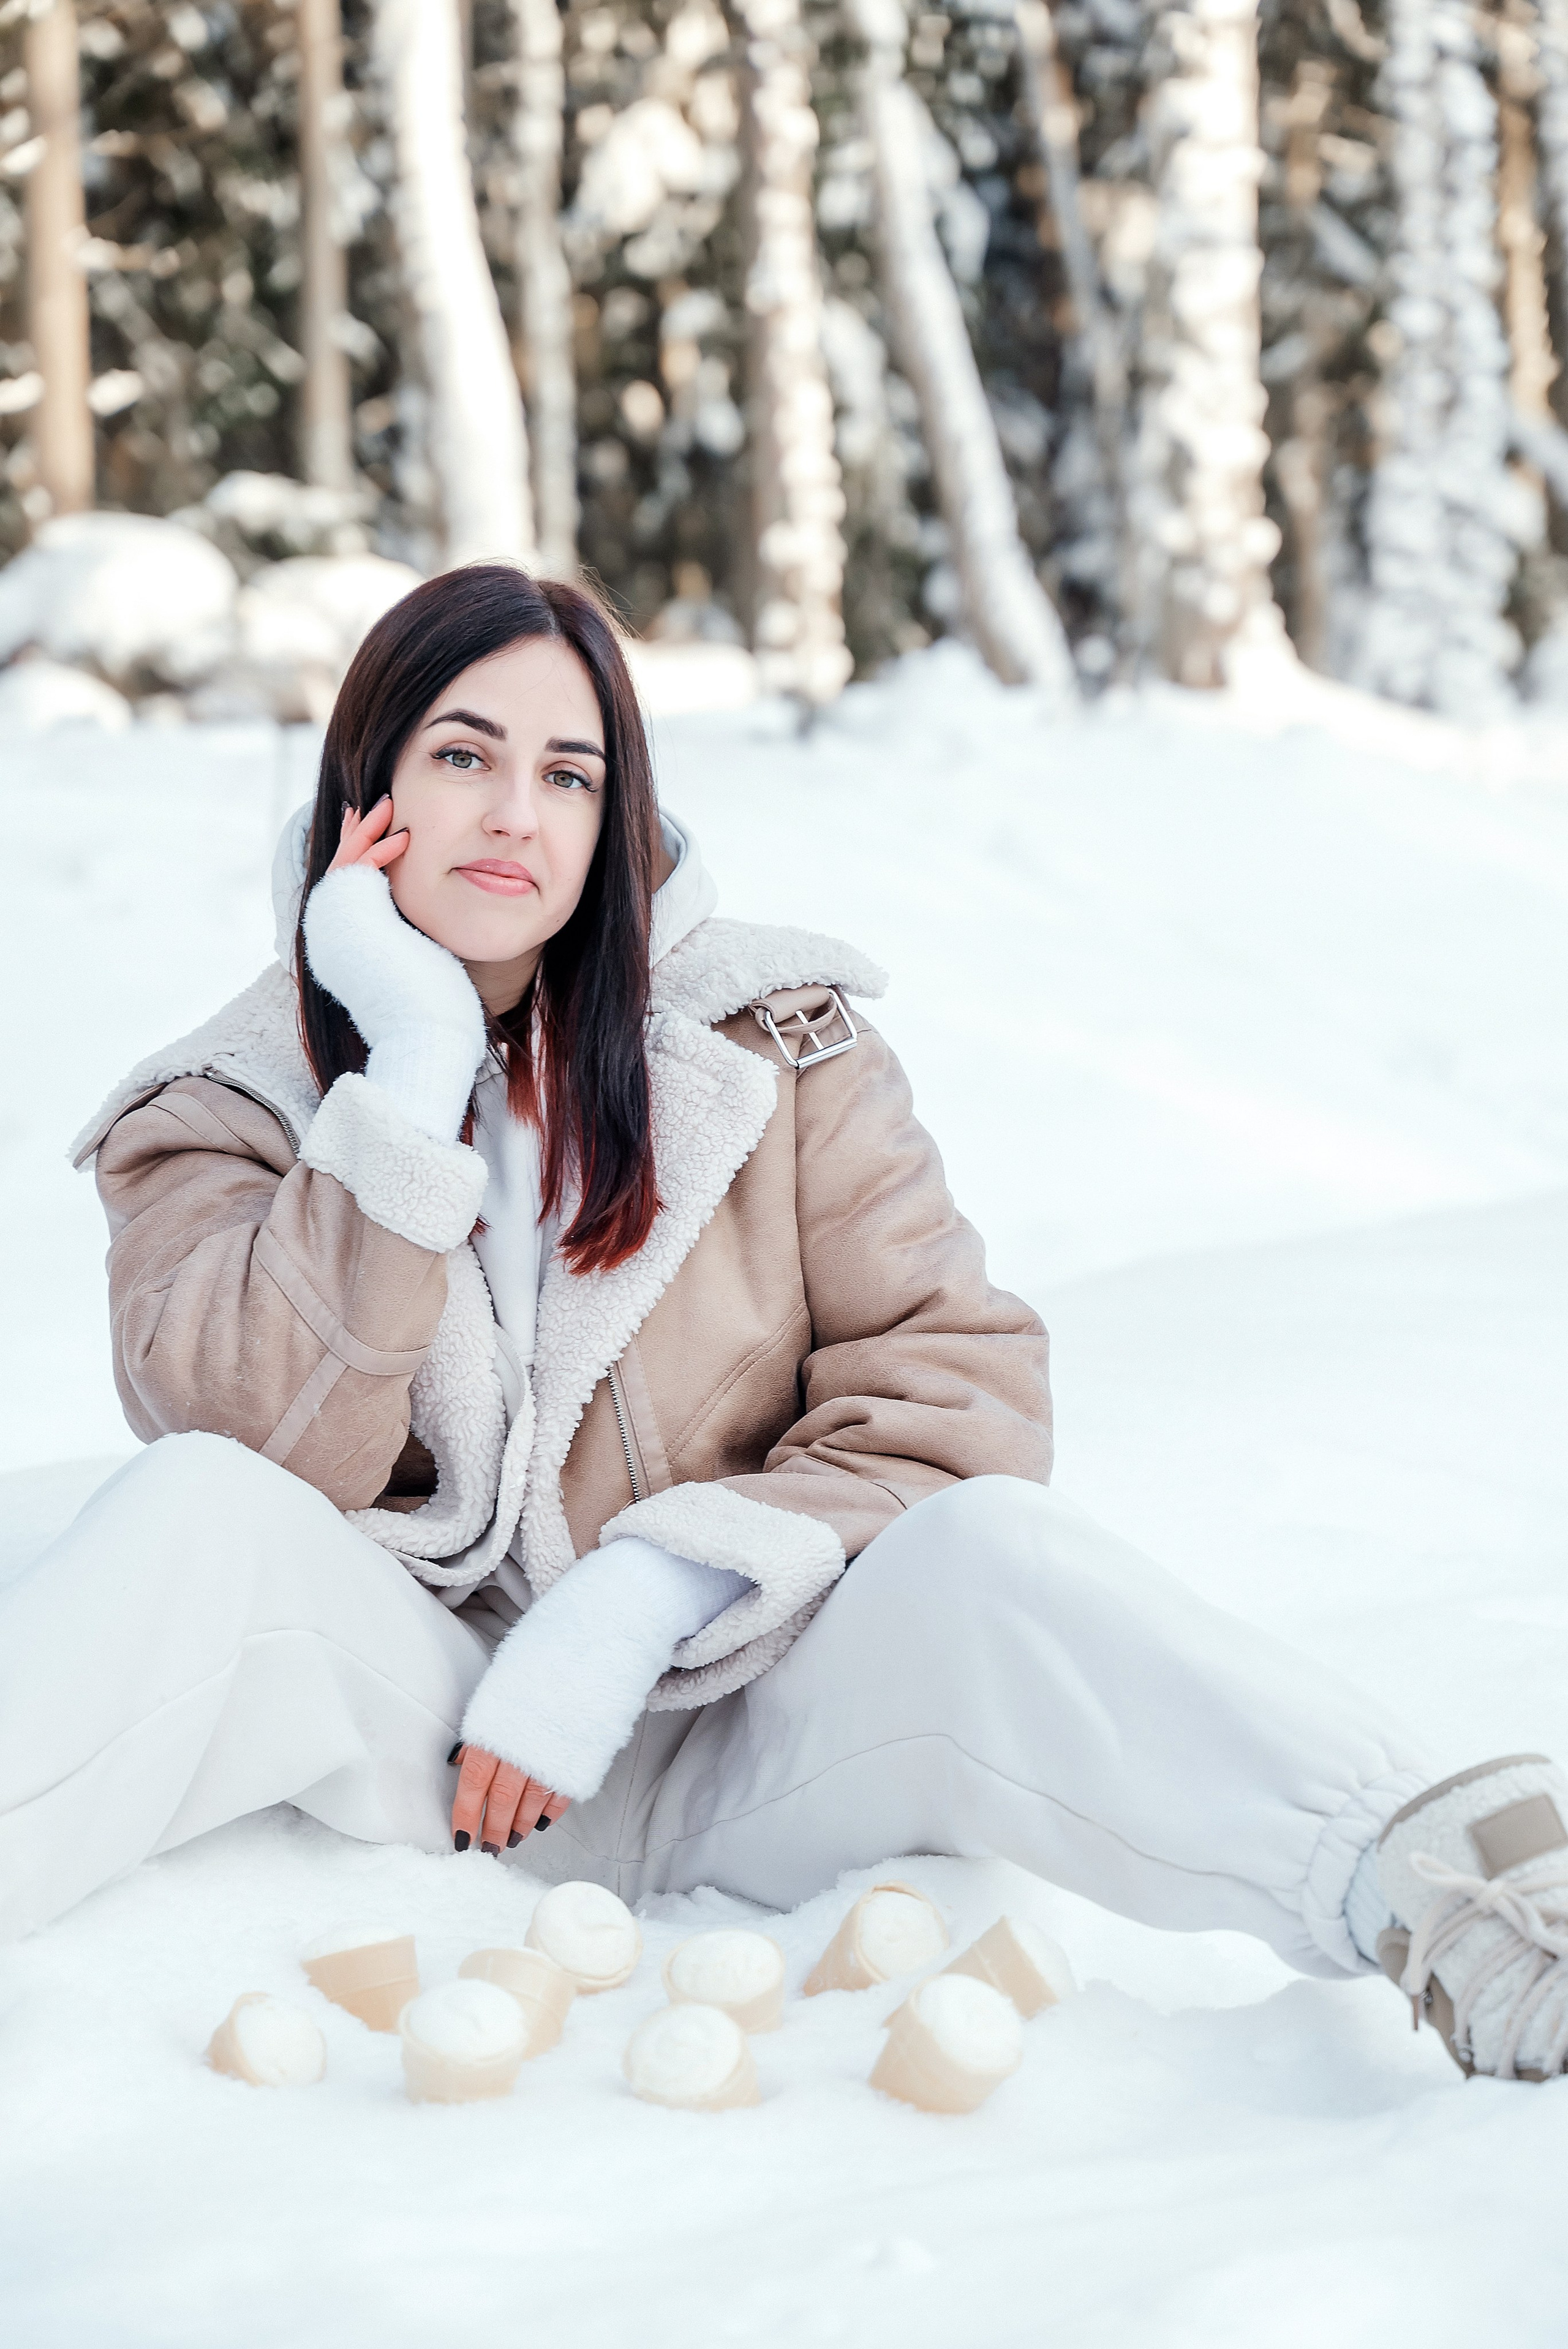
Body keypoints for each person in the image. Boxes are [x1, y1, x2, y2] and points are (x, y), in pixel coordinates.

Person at [5, 562, 1565, 2086]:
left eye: (569, 773)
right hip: (423, 1734)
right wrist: (403, 1074)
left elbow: (957, 1397)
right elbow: (262, 1437)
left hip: (756, 1737)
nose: (513, 815)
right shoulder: (220, 1110)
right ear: (367, 790)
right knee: (196, 1502)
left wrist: (637, 1599)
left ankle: (1454, 1894)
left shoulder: (779, 1048)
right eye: (462, 756)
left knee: (991, 1550)